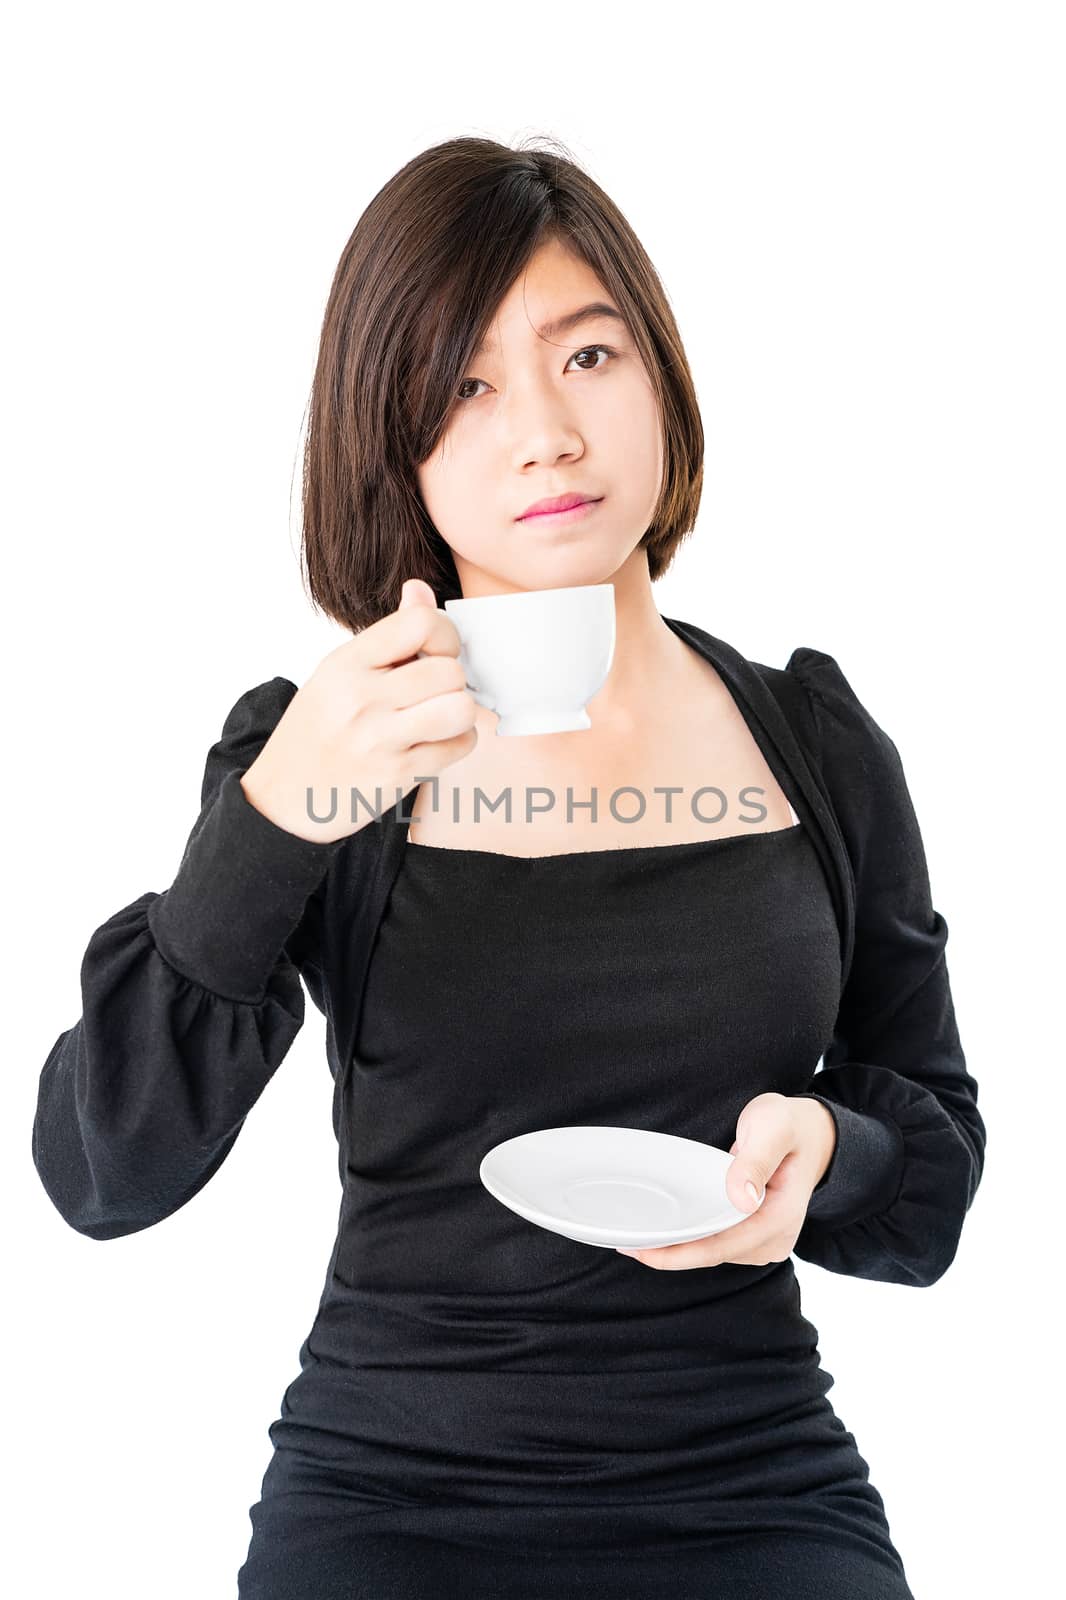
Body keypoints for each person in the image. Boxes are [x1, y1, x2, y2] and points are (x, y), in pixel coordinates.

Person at [31, 135, 985, 1599]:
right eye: (465, 387)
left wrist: (830, 1153)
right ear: (392, 440)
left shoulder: (814, 740)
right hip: (388, 1494)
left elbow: (932, 1178)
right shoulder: (318, 756)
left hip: (751, 1483)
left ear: (659, 377)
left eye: (586, 355)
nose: (542, 429)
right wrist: (275, 816)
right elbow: (106, 1172)